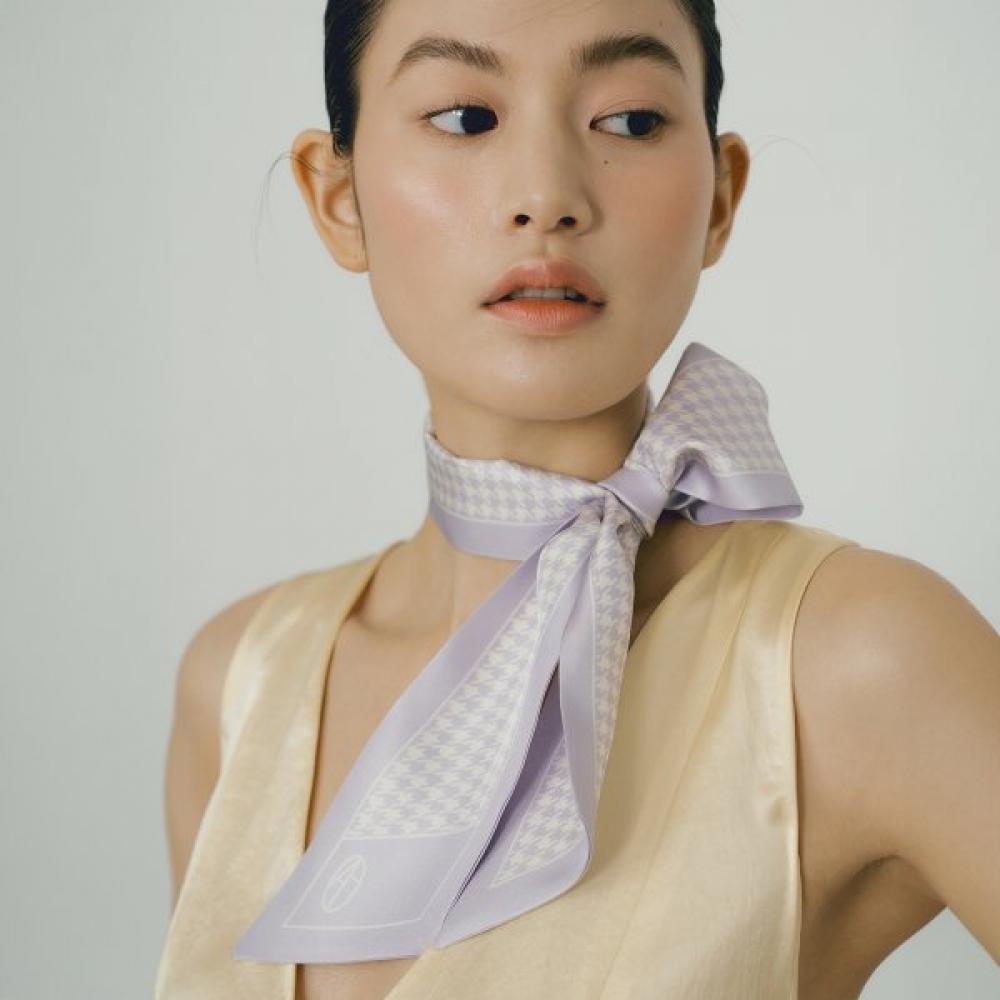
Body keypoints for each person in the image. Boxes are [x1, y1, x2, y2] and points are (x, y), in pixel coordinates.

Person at [156, 1, 1000, 998]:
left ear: (721, 197)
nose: (545, 196)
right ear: (337, 197)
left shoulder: (860, 662)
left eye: (630, 121)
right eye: (466, 118)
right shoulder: (242, 683)